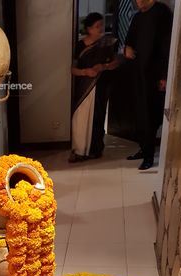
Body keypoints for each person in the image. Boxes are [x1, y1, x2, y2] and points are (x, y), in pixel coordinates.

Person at [125, 0, 173, 170]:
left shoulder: (162, 13)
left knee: (151, 114)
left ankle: (149, 156)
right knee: (139, 113)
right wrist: (127, 49)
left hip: (154, 75)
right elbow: (129, 41)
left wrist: (164, 75)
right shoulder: (138, 17)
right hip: (138, 73)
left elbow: (167, 46)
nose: (138, 3)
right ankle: (143, 149)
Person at [69, 13, 119, 163]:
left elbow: (116, 63)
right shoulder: (79, 45)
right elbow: (72, 69)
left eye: (101, 25)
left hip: (101, 85)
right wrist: (85, 72)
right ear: (89, 29)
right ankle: (79, 150)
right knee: (80, 119)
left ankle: (95, 150)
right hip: (84, 87)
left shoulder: (107, 43)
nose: (101, 28)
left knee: (98, 117)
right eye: (97, 26)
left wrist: (103, 66)